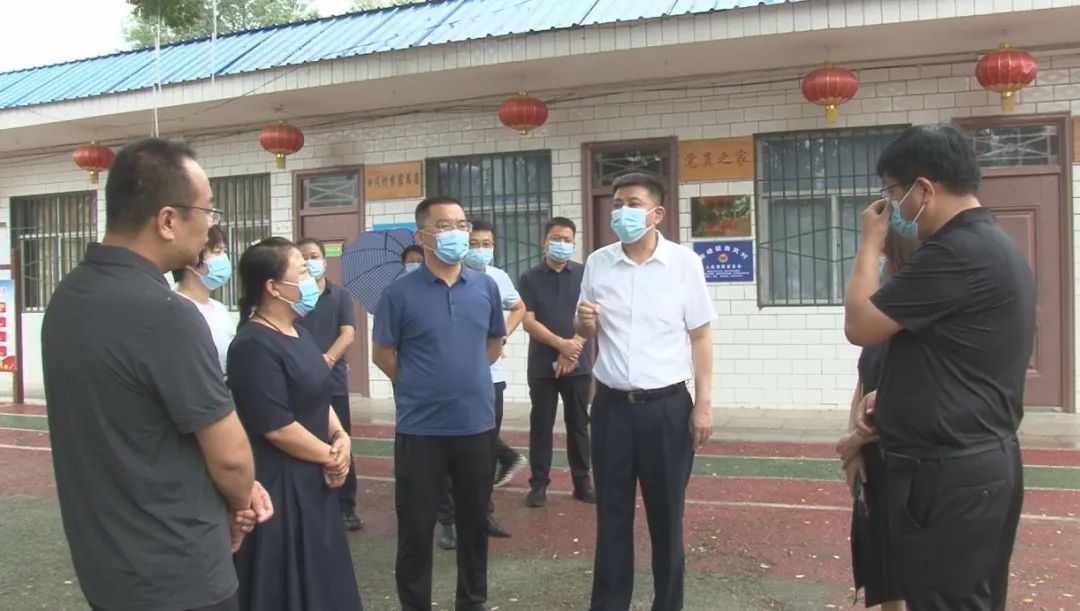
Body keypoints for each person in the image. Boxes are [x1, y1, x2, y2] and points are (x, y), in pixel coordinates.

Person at [42, 138, 272, 611]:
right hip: (179, 569)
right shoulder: (167, 314)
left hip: (105, 565)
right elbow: (231, 459)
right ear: (167, 220)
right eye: (207, 210)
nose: (210, 225)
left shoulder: (67, 297)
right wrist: (241, 497)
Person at [844, 125, 1035, 610]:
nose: (893, 207)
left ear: (924, 189)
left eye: (893, 194)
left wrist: (869, 242)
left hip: (951, 477)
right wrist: (891, 398)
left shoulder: (954, 252)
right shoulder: (993, 242)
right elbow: (956, 359)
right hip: (973, 467)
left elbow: (861, 325)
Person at [575, 172, 716, 611]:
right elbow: (584, 327)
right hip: (612, 408)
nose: (622, 212)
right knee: (611, 515)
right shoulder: (598, 263)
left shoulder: (684, 264)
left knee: (666, 517)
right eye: (617, 203)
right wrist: (583, 324)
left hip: (667, 408)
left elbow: (701, 336)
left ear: (656, 214)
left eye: (633, 204)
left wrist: (703, 405)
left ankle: (667, 603)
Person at [372, 196, 506, 611]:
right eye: (445, 226)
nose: (457, 234)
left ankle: (472, 600)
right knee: (415, 528)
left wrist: (463, 376)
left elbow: (493, 344)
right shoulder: (398, 293)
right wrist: (421, 384)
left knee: (474, 523)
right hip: (420, 429)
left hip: (476, 424)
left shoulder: (485, 287)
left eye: (462, 225)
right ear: (423, 235)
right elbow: (383, 354)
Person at [227, 237, 362, 611]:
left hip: (316, 481)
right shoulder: (252, 345)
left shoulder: (300, 334)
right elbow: (277, 426)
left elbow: (317, 395)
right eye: (301, 271)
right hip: (282, 487)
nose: (311, 278)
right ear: (273, 287)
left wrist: (340, 437)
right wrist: (332, 457)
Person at [837, 228, 918, 611]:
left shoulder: (918, 312)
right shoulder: (878, 317)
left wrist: (855, 441)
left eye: (884, 256)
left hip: (908, 461)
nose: (879, 265)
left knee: (909, 569)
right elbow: (864, 380)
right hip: (875, 466)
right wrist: (853, 446)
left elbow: (905, 398)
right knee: (884, 570)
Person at [435, 218, 527, 548]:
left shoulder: (497, 278)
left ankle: (483, 513)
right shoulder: (444, 280)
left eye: (486, 244)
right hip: (450, 381)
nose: (479, 249)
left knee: (484, 451)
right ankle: (449, 521)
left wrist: (501, 337)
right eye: (473, 243)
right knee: (447, 452)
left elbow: (519, 307)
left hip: (490, 379)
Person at [519, 216, 595, 508]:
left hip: (578, 364)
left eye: (567, 240)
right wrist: (561, 345)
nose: (562, 244)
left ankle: (582, 482)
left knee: (579, 425)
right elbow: (528, 321)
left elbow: (594, 315)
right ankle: (539, 484)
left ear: (574, 243)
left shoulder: (585, 274)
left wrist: (573, 348)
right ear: (544, 242)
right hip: (542, 366)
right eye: (556, 239)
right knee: (541, 425)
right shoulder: (529, 277)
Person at [295, 237, 363, 531]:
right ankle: (312, 503)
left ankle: (346, 506)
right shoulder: (294, 295)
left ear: (324, 260)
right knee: (306, 441)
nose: (309, 262)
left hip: (332, 381)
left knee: (340, 440)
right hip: (299, 380)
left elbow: (348, 332)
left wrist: (328, 359)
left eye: (314, 256)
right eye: (303, 257)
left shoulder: (340, 295)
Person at [174, 224, 234, 375]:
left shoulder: (220, 309)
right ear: (191, 259)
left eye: (224, 251)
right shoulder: (175, 309)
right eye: (217, 252)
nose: (224, 259)